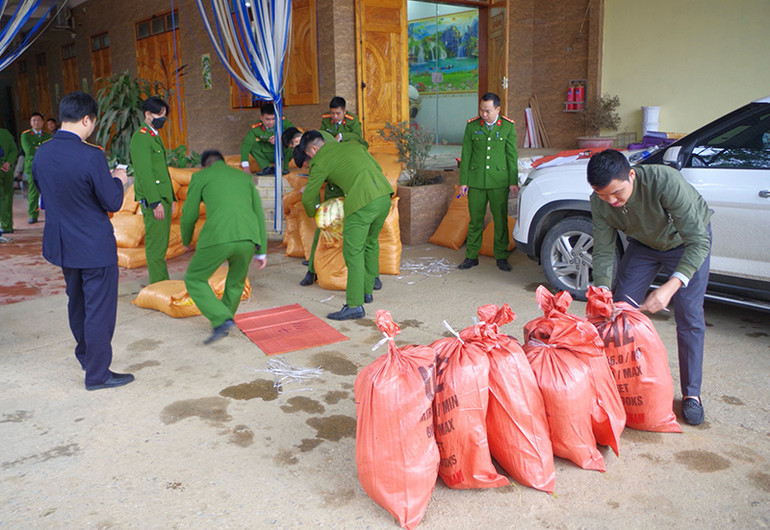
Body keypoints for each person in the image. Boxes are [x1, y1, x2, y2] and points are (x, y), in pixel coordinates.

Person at [587, 149, 712, 426]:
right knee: (619, 308)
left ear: (631, 174)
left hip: (685, 243)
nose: (611, 201)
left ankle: (692, 394)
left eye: (617, 193)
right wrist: (602, 289)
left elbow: (699, 241)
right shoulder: (600, 201)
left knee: (689, 315)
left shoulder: (665, 182)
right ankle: (624, 384)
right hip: (644, 244)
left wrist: (670, 287)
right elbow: (604, 250)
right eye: (603, 195)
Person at [32, 91, 134, 390]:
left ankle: (87, 358)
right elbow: (112, 201)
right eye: (93, 121)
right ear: (87, 119)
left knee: (77, 305)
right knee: (99, 311)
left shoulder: (43, 153)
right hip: (93, 247)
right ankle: (98, 375)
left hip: (62, 244)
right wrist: (119, 179)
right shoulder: (91, 155)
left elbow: (44, 193)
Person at [298, 130, 393, 320]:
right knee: (370, 243)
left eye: (309, 156)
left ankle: (354, 305)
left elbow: (309, 196)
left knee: (353, 252)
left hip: (361, 203)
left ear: (314, 149)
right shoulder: (352, 145)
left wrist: (316, 214)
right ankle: (366, 291)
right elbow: (375, 167)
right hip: (383, 197)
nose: (310, 160)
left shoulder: (321, 159)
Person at [181, 150, 267, 344]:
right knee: (236, 282)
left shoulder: (200, 176)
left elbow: (189, 213)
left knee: (195, 279)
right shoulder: (244, 178)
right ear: (223, 161)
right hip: (248, 238)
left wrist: (186, 240)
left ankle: (221, 318)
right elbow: (258, 213)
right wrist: (261, 251)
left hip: (218, 236)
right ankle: (224, 321)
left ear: (204, 165)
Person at [457, 92, 518, 272]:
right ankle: (471, 256)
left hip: (499, 182)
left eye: (488, 111)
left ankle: (501, 256)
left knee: (500, 221)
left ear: (497, 109)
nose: (484, 114)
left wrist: (513, 181)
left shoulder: (507, 127)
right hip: (476, 182)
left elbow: (511, 156)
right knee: (475, 220)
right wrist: (463, 181)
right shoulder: (472, 126)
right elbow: (466, 155)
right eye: (481, 110)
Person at [130, 96, 177, 284]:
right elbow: (145, 174)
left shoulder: (152, 135)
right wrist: (155, 202)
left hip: (163, 197)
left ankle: (162, 281)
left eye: (164, 115)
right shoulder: (141, 137)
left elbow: (162, 171)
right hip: (154, 199)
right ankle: (158, 284)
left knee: (162, 244)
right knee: (156, 245)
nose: (162, 119)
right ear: (148, 114)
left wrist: (170, 198)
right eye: (159, 114)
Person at [240, 103, 294, 176]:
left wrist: (281, 137)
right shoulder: (256, 127)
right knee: (253, 145)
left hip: (283, 153)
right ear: (261, 118)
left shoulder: (283, 121)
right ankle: (266, 167)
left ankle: (284, 168)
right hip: (266, 153)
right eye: (267, 119)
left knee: (292, 142)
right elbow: (246, 144)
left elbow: (295, 133)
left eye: (273, 119)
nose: (271, 122)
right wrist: (246, 166)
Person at [20, 112, 51, 224]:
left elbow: (49, 151)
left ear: (42, 122)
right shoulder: (26, 135)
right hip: (32, 167)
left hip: (45, 167)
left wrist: (37, 149)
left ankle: (50, 213)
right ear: (30, 123)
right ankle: (33, 214)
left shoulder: (47, 136)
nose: (36, 122)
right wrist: (41, 149)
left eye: (38, 120)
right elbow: (29, 150)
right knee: (33, 192)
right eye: (34, 120)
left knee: (48, 191)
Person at [0, 125, 19, 238]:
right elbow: (14, 149)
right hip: (7, 169)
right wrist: (8, 162)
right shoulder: (5, 133)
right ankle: (7, 226)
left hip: (4, 168)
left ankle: (5, 224)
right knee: (7, 196)